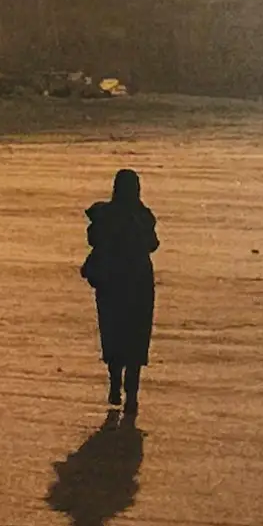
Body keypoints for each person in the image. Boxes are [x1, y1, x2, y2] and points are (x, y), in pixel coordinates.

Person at [80, 168, 159, 416]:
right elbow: (153, 244)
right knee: (136, 338)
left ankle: (115, 383)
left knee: (113, 333)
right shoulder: (142, 216)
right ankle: (132, 395)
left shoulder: (105, 215)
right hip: (138, 283)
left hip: (112, 283)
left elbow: (92, 238)